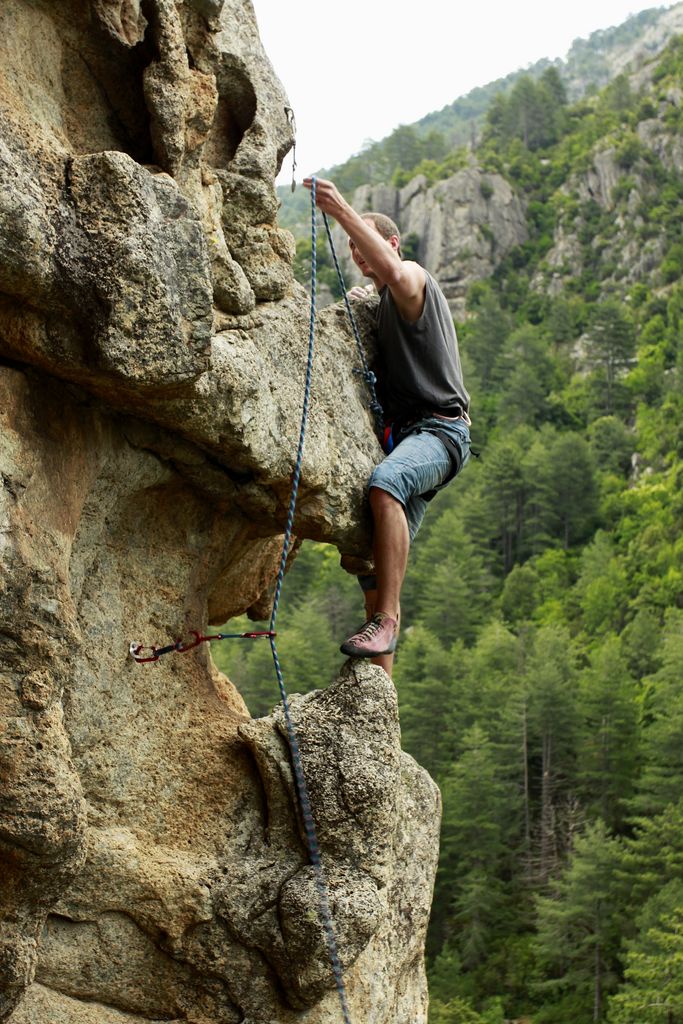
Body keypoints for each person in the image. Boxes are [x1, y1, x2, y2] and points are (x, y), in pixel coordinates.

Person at [303, 176, 471, 675]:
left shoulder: (414, 278)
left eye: (364, 243)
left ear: (390, 243)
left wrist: (339, 209)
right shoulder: (382, 305)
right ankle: (380, 696)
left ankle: (389, 620)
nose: (357, 253)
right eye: (352, 249)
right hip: (413, 436)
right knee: (371, 562)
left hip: (442, 432)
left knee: (387, 484)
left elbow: (397, 272)